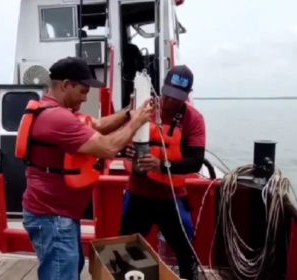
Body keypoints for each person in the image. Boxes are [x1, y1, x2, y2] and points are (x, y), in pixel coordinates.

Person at [20, 56, 153, 280]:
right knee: (62, 274)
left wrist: (129, 113)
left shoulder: (56, 112)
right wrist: (137, 122)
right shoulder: (58, 119)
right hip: (52, 217)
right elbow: (108, 147)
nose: (86, 97)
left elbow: (99, 125)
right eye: (82, 90)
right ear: (65, 85)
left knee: (70, 268)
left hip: (58, 215)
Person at [121, 65, 205, 280]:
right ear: (161, 88)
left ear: (187, 95)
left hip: (172, 199)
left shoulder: (193, 119)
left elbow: (195, 162)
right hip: (138, 194)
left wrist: (161, 165)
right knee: (127, 248)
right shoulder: (143, 108)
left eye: (177, 97)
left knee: (186, 252)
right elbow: (119, 141)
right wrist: (127, 150)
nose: (170, 101)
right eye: (167, 95)